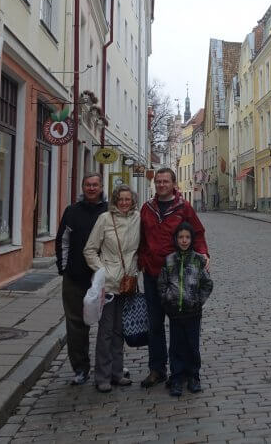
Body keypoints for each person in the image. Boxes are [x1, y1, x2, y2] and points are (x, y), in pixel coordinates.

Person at [137, 168, 210, 388]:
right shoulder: (147, 209)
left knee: (181, 324)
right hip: (152, 273)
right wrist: (139, 260)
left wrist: (204, 254)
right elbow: (140, 236)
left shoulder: (183, 207)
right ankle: (157, 369)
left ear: (173, 183)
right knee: (155, 324)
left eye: (165, 181)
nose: (161, 185)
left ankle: (185, 370)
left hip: (176, 276)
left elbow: (196, 232)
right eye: (158, 181)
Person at [84, 185, 140, 392]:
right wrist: (103, 271)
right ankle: (102, 376)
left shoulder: (137, 219)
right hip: (108, 285)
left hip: (127, 282)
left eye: (128, 199)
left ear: (132, 200)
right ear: (115, 201)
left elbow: (139, 249)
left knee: (120, 330)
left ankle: (117, 373)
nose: (124, 202)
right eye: (121, 199)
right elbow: (89, 250)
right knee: (106, 331)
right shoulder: (104, 219)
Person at [55, 173, 107, 386]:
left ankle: (110, 364)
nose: (91, 188)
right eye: (88, 185)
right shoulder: (72, 211)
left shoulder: (109, 211)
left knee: (108, 324)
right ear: (83, 187)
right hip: (76, 276)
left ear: (101, 187)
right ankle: (80, 367)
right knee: (76, 325)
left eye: (95, 185)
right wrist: (63, 268)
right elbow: (63, 241)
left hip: (104, 278)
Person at [157, 222, 213, 396]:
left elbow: (207, 284)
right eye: (181, 237)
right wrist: (168, 298)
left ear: (192, 239)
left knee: (192, 345)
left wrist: (198, 300)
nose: (184, 240)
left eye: (187, 237)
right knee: (176, 346)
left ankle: (193, 376)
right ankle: (176, 377)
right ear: (176, 239)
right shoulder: (170, 260)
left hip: (193, 312)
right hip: (175, 313)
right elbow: (161, 283)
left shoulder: (198, 260)